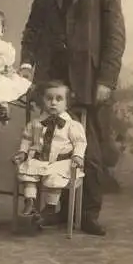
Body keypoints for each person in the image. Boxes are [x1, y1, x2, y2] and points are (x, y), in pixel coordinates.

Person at [19, 0, 126, 235]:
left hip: (89, 79)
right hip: (53, 80)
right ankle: (57, 209)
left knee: (88, 150)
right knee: (52, 144)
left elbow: (115, 39)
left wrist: (106, 80)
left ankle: (88, 214)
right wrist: (27, 63)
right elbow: (33, 29)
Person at [12, 81, 86, 220]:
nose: (53, 103)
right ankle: (30, 202)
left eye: (59, 99)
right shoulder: (35, 123)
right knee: (28, 172)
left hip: (60, 162)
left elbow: (80, 142)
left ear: (67, 103)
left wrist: (78, 156)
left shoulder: (72, 125)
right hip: (39, 159)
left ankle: (50, 207)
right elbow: (27, 139)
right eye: (49, 98)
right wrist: (23, 152)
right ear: (42, 101)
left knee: (54, 179)